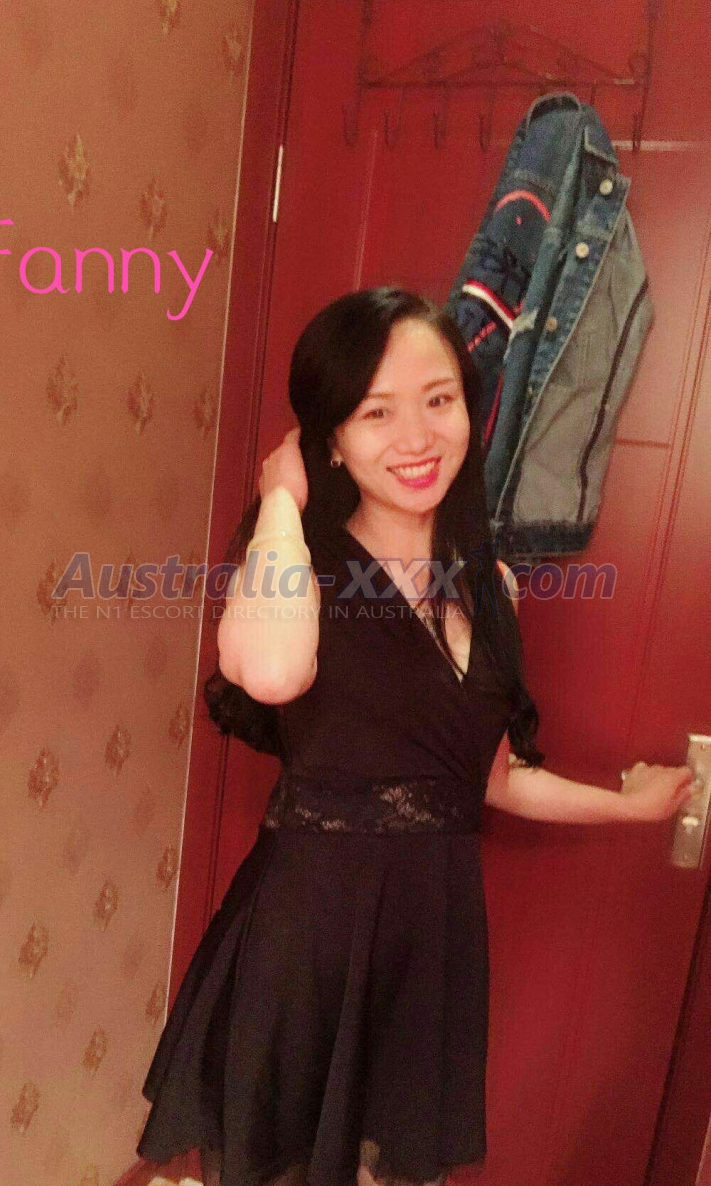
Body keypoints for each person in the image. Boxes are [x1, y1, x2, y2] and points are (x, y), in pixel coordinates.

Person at [133, 288, 695, 1186]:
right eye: (376, 412)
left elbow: (489, 780)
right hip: (306, 942)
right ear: (331, 440)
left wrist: (630, 808)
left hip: (429, 945)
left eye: (439, 400)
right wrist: (280, 501)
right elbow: (269, 675)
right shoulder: (295, 566)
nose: (417, 437)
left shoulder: (491, 587)